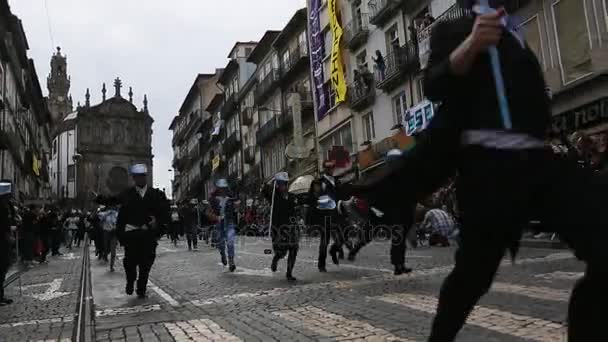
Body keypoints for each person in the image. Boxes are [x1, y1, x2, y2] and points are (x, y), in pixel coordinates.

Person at [349, 0, 608, 340]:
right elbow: (434, 85)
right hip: (490, 169)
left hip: (539, 163)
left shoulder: (515, 33)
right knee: (472, 277)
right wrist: (470, 46)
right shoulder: (453, 30)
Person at [116, 164, 169, 298]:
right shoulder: (127, 195)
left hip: (148, 235)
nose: (140, 179)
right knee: (130, 263)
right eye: (137, 177)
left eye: (143, 176)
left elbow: (164, 213)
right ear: (134, 179)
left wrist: (157, 223)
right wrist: (121, 236)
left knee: (146, 264)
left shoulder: (155, 195)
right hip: (132, 235)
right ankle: (130, 281)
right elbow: (121, 217)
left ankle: (141, 287)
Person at [262, 172, 299, 282]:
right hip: (278, 227)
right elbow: (264, 190)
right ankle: (276, 258)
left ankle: (289, 273)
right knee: (282, 251)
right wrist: (271, 181)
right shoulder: (273, 196)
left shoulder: (292, 197)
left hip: (290, 227)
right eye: (280, 184)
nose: (282, 186)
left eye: (284, 184)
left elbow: (295, 209)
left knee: (294, 248)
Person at [207, 179, 238, 272]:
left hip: (229, 222)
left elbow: (237, 206)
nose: (222, 190)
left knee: (230, 241)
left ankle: (231, 261)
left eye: (224, 188)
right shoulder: (212, 199)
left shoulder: (231, 197)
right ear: (218, 189)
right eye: (221, 189)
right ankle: (223, 255)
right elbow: (208, 213)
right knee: (220, 243)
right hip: (218, 223)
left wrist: (236, 204)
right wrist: (216, 217)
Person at [0, 181, 15, 306]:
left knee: (4, 267)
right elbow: (3, 224)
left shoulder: (6, 207)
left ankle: (1, 295)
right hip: (2, 241)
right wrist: (7, 234)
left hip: (4, 240)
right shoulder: (2, 208)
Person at [99, 201, 119, 271]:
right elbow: (100, 220)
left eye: (113, 206)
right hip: (106, 233)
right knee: (106, 248)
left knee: (113, 251)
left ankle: (111, 266)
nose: (112, 208)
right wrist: (107, 214)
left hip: (113, 234)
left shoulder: (117, 214)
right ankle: (105, 254)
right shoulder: (105, 214)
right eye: (111, 206)